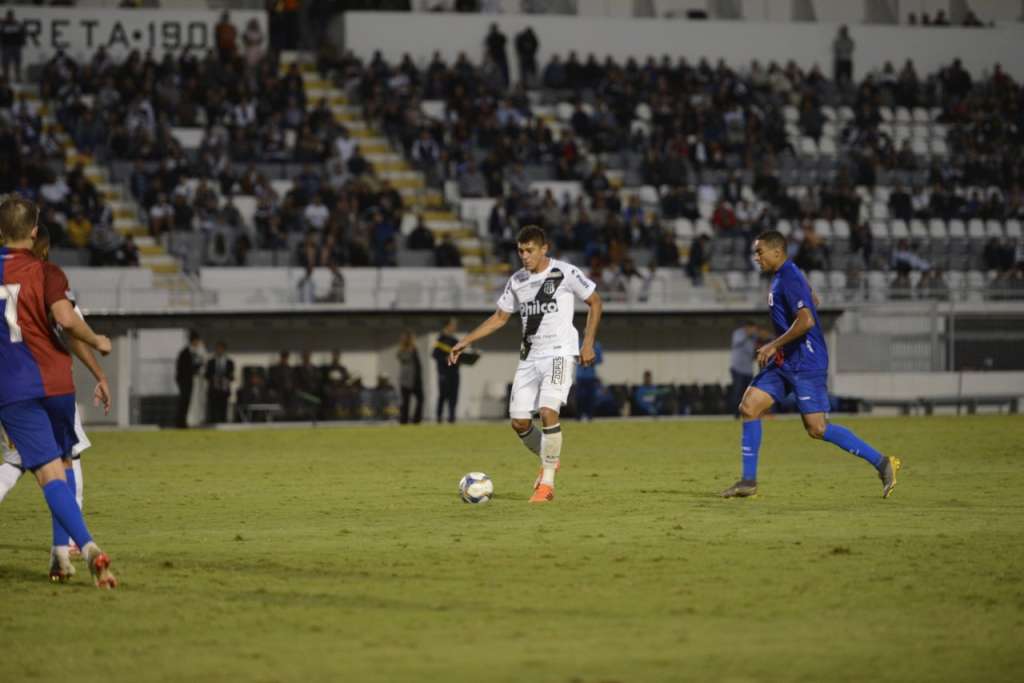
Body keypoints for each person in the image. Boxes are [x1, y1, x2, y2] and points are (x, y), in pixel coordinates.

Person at [721, 231, 901, 499]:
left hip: (806, 361)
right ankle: (748, 481)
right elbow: (811, 301)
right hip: (786, 361)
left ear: (776, 252)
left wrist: (773, 344)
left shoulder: (789, 277)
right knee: (749, 407)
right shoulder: (787, 275)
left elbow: (807, 321)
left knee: (817, 429)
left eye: (760, 252)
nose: (756, 257)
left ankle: (882, 462)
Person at [0, 197, 116, 587]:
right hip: (56, 382)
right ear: (34, 231)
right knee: (65, 468)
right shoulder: (47, 272)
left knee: (46, 474)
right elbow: (66, 321)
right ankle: (65, 554)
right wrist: (98, 341)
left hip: (12, 388)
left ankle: (84, 547)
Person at [448, 225, 603, 503]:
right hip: (529, 357)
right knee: (519, 422)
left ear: (544, 249)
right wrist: (466, 340)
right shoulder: (517, 280)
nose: (524, 256)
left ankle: (547, 484)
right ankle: (549, 457)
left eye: (529, 250)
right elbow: (499, 317)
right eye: (520, 251)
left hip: (559, 354)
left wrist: (588, 343)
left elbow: (595, 301)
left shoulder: (564, 273)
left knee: (546, 412)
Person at [728, 321, 767, 417]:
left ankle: (747, 413)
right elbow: (737, 342)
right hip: (737, 369)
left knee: (748, 393)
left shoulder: (754, 337)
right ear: (748, 327)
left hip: (748, 370)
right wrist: (748, 333)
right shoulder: (739, 333)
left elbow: (754, 350)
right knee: (737, 392)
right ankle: (736, 415)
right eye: (752, 328)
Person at [432, 319, 461, 423]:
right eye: (453, 325)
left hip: (454, 373)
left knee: (454, 397)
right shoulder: (440, 340)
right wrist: (445, 359)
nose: (455, 327)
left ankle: (452, 418)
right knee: (443, 396)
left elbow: (459, 355)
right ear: (447, 326)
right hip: (444, 373)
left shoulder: (455, 340)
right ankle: (439, 418)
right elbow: (434, 354)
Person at [175, 331, 203, 428]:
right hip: (184, 381)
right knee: (184, 401)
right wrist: (199, 365)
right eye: (197, 341)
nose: (198, 343)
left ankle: (183, 422)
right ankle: (180, 423)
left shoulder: (191, 352)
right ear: (194, 341)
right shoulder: (185, 353)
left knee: (186, 402)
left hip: (188, 381)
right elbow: (186, 368)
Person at [397, 330, 423, 425]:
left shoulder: (414, 349)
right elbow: (404, 358)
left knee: (420, 399)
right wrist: (410, 347)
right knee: (406, 402)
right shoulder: (402, 350)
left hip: (416, 380)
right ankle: (403, 421)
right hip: (406, 381)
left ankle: (416, 420)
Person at [204, 341, 234, 424]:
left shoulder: (229, 362)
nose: (219, 350)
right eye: (218, 348)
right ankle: (213, 422)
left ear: (224, 350)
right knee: (213, 407)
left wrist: (226, 378)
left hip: (224, 388)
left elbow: (231, 376)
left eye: (221, 348)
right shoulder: (211, 362)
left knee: (223, 407)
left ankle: (223, 422)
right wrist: (214, 378)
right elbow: (206, 375)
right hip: (213, 388)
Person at [574, 340, 602, 421]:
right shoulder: (578, 344)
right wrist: (581, 358)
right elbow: (574, 357)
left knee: (591, 397)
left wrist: (591, 359)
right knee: (579, 397)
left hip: (591, 376)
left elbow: (600, 360)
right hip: (580, 376)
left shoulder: (597, 345)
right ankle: (578, 417)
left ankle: (590, 416)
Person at [0, 10, 26, 82]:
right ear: (7, 16)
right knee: (5, 64)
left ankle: (18, 77)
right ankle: (6, 77)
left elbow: (23, 34)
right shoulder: (3, 25)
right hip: (6, 47)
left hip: (16, 47)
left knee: (17, 64)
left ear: (13, 16)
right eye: (9, 16)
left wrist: (22, 43)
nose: (10, 17)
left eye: (11, 16)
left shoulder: (17, 24)